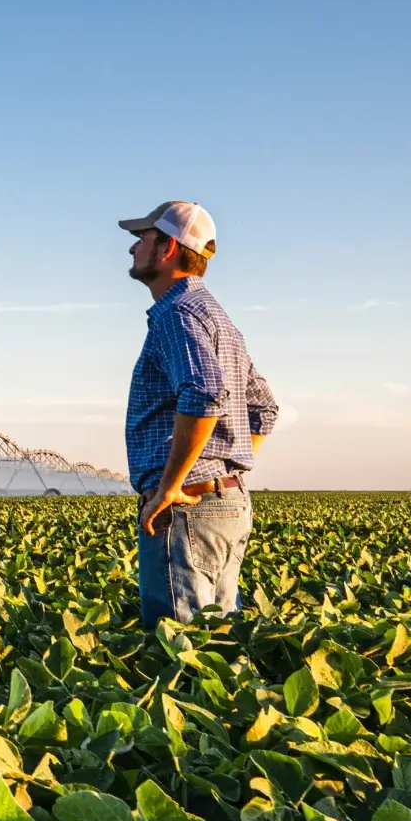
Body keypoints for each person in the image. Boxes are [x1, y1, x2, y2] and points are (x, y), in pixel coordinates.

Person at [118, 201, 278, 629]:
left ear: (168, 248)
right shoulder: (216, 317)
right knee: (217, 645)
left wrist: (172, 485)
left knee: (179, 652)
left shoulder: (177, 313)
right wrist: (222, 466)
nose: (132, 248)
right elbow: (263, 409)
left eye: (143, 238)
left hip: (189, 507)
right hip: (225, 502)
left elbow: (204, 394)